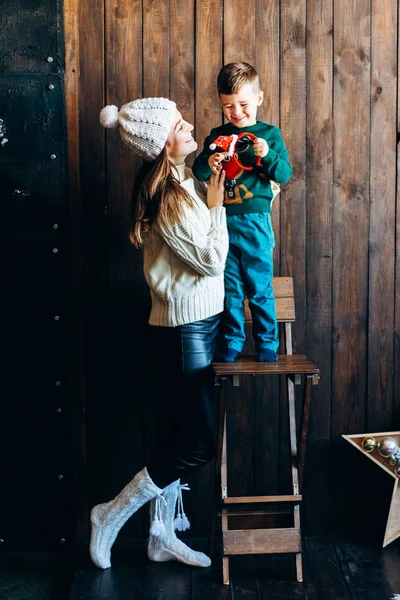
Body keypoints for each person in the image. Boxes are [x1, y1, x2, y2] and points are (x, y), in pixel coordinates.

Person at [90, 97, 228, 570]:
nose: (190, 126)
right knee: (198, 445)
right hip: (184, 331)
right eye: (178, 124)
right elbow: (210, 260)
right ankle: (110, 514)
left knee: (173, 438)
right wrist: (218, 207)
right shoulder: (169, 198)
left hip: (197, 324)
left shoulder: (183, 182)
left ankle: (160, 535)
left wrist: (212, 193)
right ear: (161, 144)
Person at [192, 62, 292, 363]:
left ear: (258, 99)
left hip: (256, 222)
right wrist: (210, 160)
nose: (236, 113)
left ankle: (267, 343)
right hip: (221, 222)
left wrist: (267, 154)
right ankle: (233, 341)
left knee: (260, 288)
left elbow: (284, 174)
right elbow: (197, 170)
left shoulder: (269, 134)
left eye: (243, 104)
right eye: (228, 106)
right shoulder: (217, 135)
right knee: (230, 289)